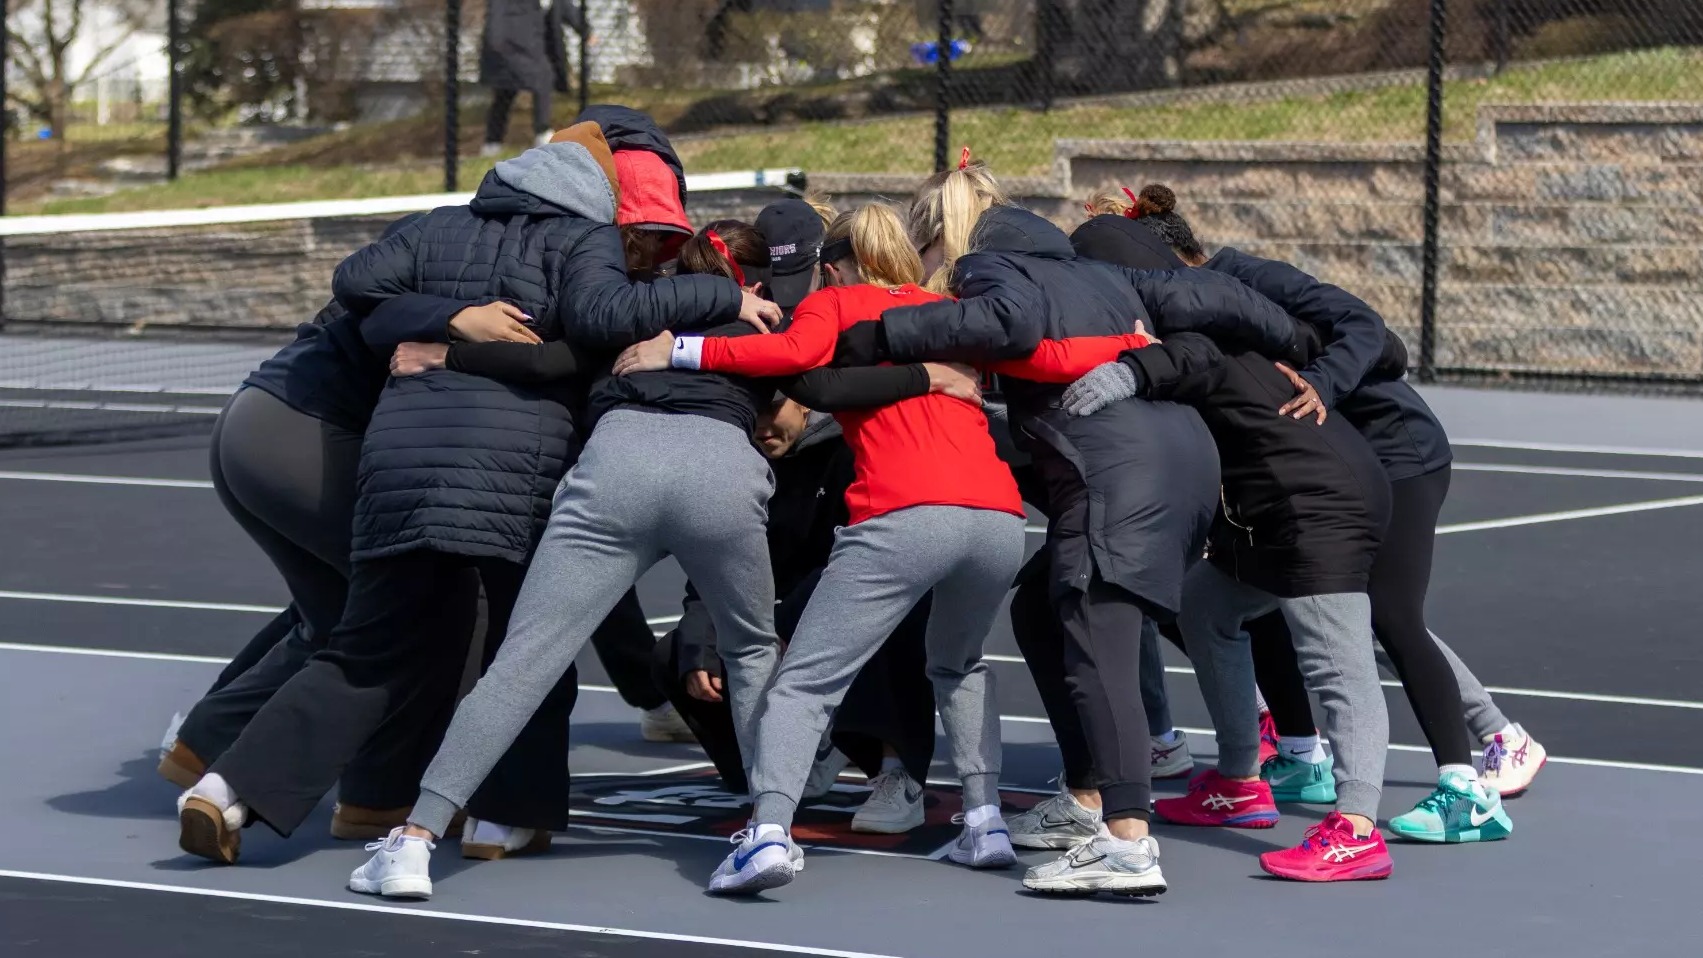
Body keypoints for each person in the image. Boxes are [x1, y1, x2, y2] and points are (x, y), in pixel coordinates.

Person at [174, 118, 778, 867]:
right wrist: (717, 296)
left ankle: (230, 787)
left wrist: (449, 323)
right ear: (604, 198)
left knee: (366, 645)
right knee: (525, 649)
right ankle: (502, 818)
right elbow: (591, 329)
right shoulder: (584, 244)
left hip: (395, 460)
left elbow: (355, 284)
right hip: (509, 475)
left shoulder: (435, 227)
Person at [343, 218, 920, 900]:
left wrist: (447, 356)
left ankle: (414, 841)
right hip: (721, 474)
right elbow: (827, 383)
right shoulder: (773, 322)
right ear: (758, 284)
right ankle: (769, 830)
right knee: (750, 653)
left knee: (522, 662)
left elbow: (546, 361)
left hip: (615, 466)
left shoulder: (631, 315)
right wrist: (932, 373)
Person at [620, 202, 1165, 895]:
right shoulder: (950, 312)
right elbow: (1044, 357)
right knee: (959, 665)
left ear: (831, 266)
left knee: (804, 682)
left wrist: (677, 349)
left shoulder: (834, 303)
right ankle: (985, 823)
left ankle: (767, 835)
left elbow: (786, 357)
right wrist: (1127, 346)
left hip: (904, 509)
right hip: (996, 518)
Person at [821, 161, 1297, 897]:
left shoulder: (989, 267)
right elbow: (1217, 300)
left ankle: (1127, 843)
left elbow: (1006, 324)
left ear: (941, 239)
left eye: (924, 254)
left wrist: (881, 332)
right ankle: (1087, 797)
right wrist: (1299, 340)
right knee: (1042, 612)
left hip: (1116, 474)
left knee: (1096, 646)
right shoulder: (1097, 271)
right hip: (1181, 462)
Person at [1098, 184, 1542, 817]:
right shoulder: (1187, 312)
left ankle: (1486, 754)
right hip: (1328, 462)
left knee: (1387, 613)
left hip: (1396, 452)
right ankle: (1302, 755)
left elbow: (1368, 327)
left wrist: (1321, 383)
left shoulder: (1244, 277)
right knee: (1264, 602)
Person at [1064, 201, 1416, 882]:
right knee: (1205, 607)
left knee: (1336, 661)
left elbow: (1190, 358)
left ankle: (1357, 828)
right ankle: (1239, 780)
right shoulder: (1197, 312)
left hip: (1316, 500)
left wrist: (1132, 372)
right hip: (1271, 506)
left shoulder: (1191, 322)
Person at [650, 394, 942, 832]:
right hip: (775, 615)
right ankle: (772, 765)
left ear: (804, 404)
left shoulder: (853, 448)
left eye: (773, 411)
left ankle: (897, 771)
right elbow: (714, 561)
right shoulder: (735, 463)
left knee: (893, 606)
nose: (762, 427)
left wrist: (791, 625)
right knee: (678, 652)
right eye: (753, 414)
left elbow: (876, 556)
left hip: (850, 595)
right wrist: (699, 643)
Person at [480, 0, 585, 155]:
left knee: (534, 82)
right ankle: (536, 134)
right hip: (514, 46)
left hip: (532, 45)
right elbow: (497, 17)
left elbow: (563, 7)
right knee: (512, 89)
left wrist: (585, 30)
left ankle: (496, 142)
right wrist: (496, 43)